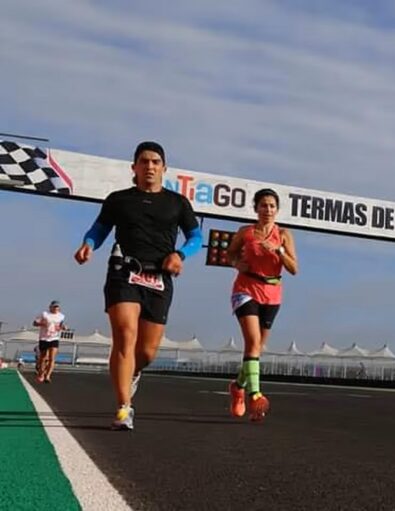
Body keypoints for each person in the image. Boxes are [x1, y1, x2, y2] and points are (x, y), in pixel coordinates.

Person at [74, 141, 202, 431]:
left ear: (164, 168)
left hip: (159, 277)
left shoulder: (178, 203)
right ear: (134, 167)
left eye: (156, 162)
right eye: (144, 161)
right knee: (125, 335)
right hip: (124, 270)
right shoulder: (118, 199)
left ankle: (133, 372)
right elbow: (99, 228)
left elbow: (195, 238)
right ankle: (124, 408)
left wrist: (180, 255)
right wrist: (88, 244)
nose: (150, 166)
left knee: (146, 352)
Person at [227, 188, 298, 422]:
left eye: (271, 206)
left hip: (272, 293)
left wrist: (277, 250)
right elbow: (230, 254)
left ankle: (237, 387)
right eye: (263, 205)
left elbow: (294, 269)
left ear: (277, 210)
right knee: (253, 341)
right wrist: (238, 264)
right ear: (255, 208)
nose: (267, 210)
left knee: (256, 349)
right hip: (246, 289)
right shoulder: (245, 232)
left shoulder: (284, 235)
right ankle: (255, 396)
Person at [33, 300, 67, 383]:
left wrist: (63, 327)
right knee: (43, 358)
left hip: (54, 338)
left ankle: (48, 376)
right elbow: (34, 323)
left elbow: (60, 325)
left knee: (52, 358)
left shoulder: (61, 316)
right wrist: (42, 324)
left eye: (57, 307)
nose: (56, 308)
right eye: (54, 306)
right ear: (50, 307)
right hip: (44, 338)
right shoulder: (44, 314)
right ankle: (41, 374)